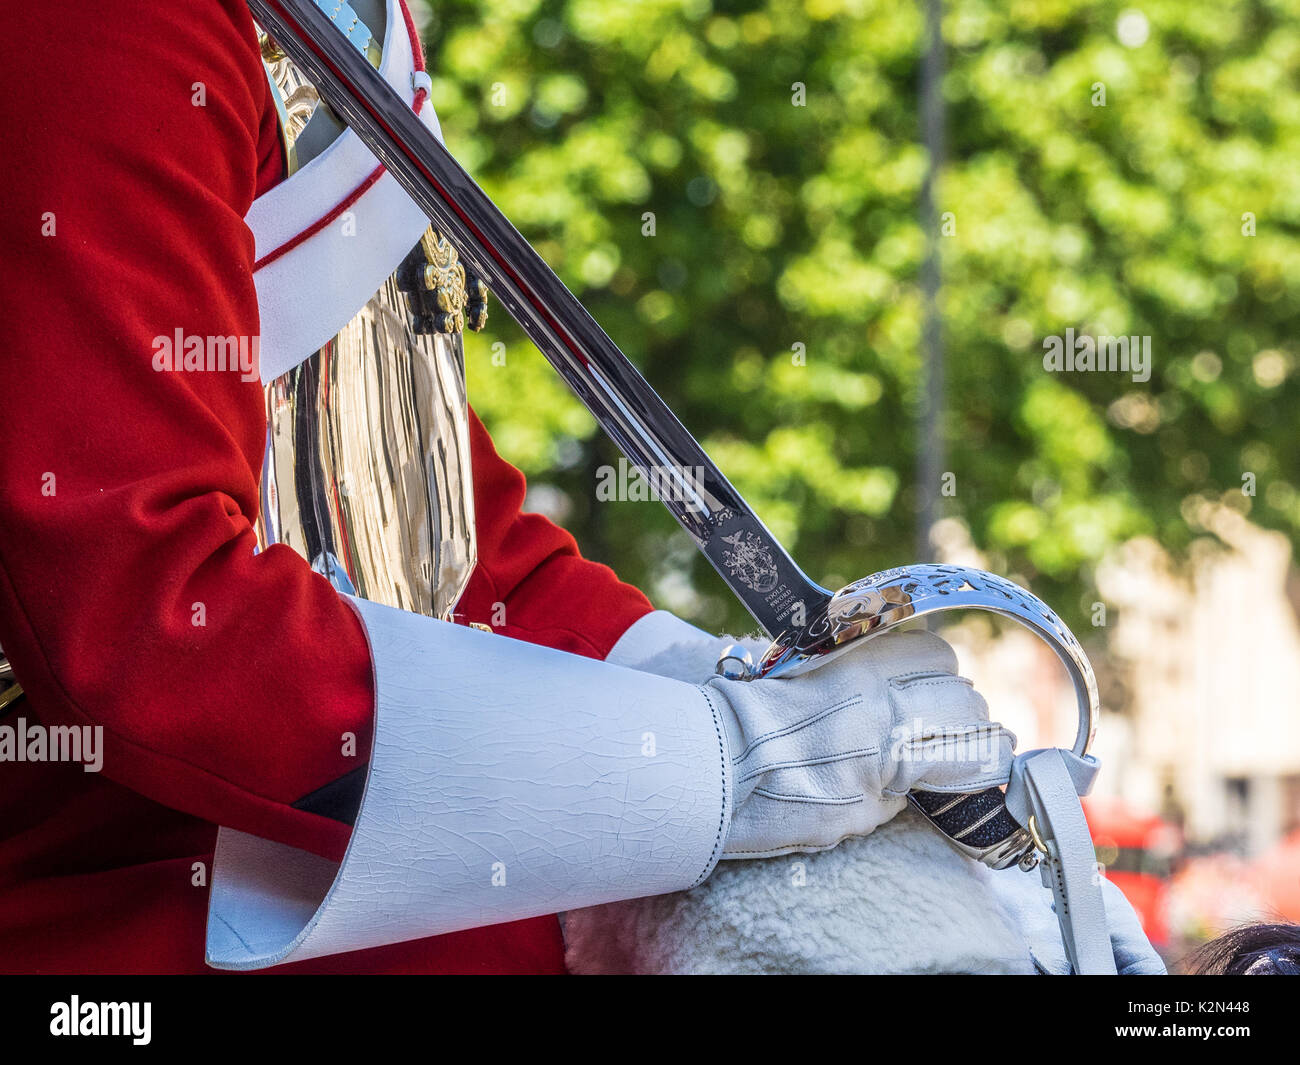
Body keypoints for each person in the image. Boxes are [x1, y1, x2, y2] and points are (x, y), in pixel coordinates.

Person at [0, 0, 1159, 974]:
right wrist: (718, 765)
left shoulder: (362, 17)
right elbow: (144, 621)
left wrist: (750, 690)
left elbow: (446, 542)